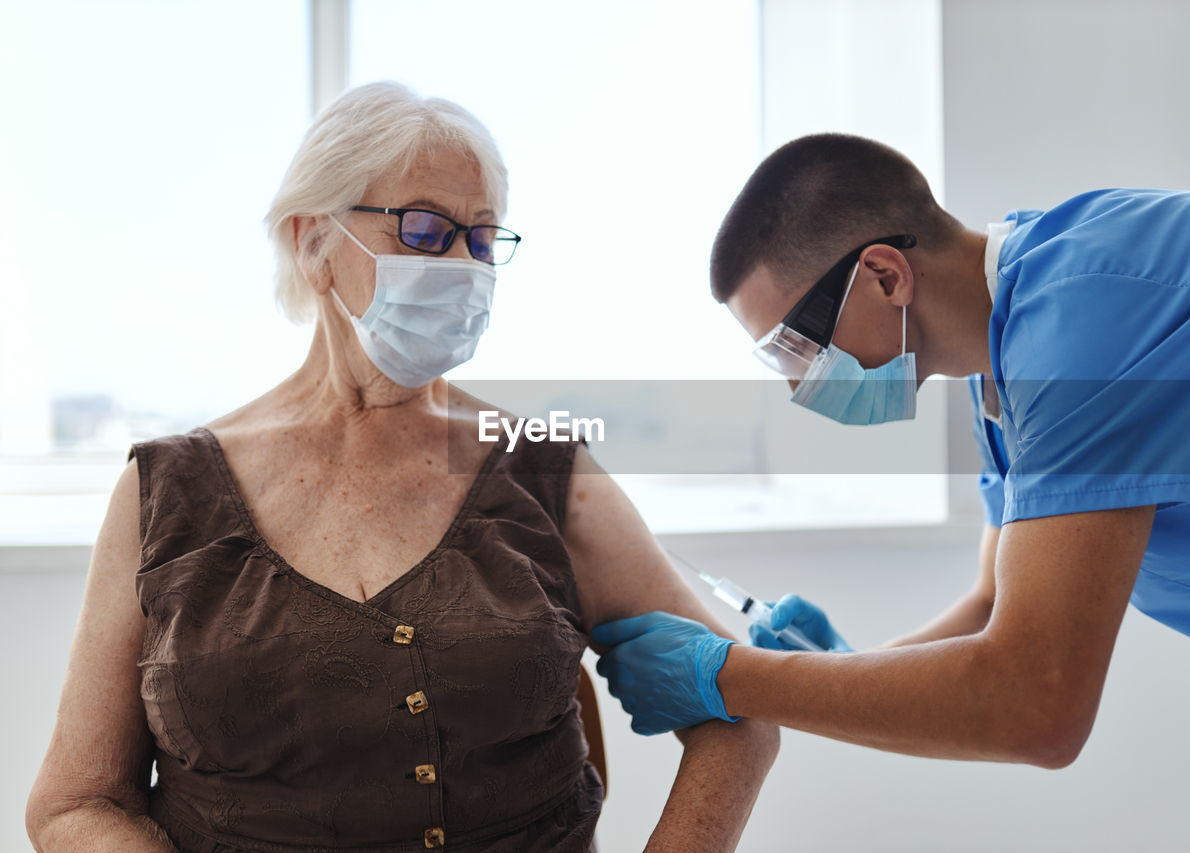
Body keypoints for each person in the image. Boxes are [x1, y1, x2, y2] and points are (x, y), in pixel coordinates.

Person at [25, 81, 777, 853]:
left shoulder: (545, 473)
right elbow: (76, 802)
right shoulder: (167, 494)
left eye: (482, 240)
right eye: (424, 230)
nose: (463, 264)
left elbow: (745, 708)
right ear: (312, 242)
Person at [592, 133, 1190, 767]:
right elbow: (992, 602)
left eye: (794, 347)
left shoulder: (1086, 321)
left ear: (886, 274)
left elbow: (1038, 704)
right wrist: (841, 666)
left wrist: (733, 677)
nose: (799, 384)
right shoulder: (1005, 375)